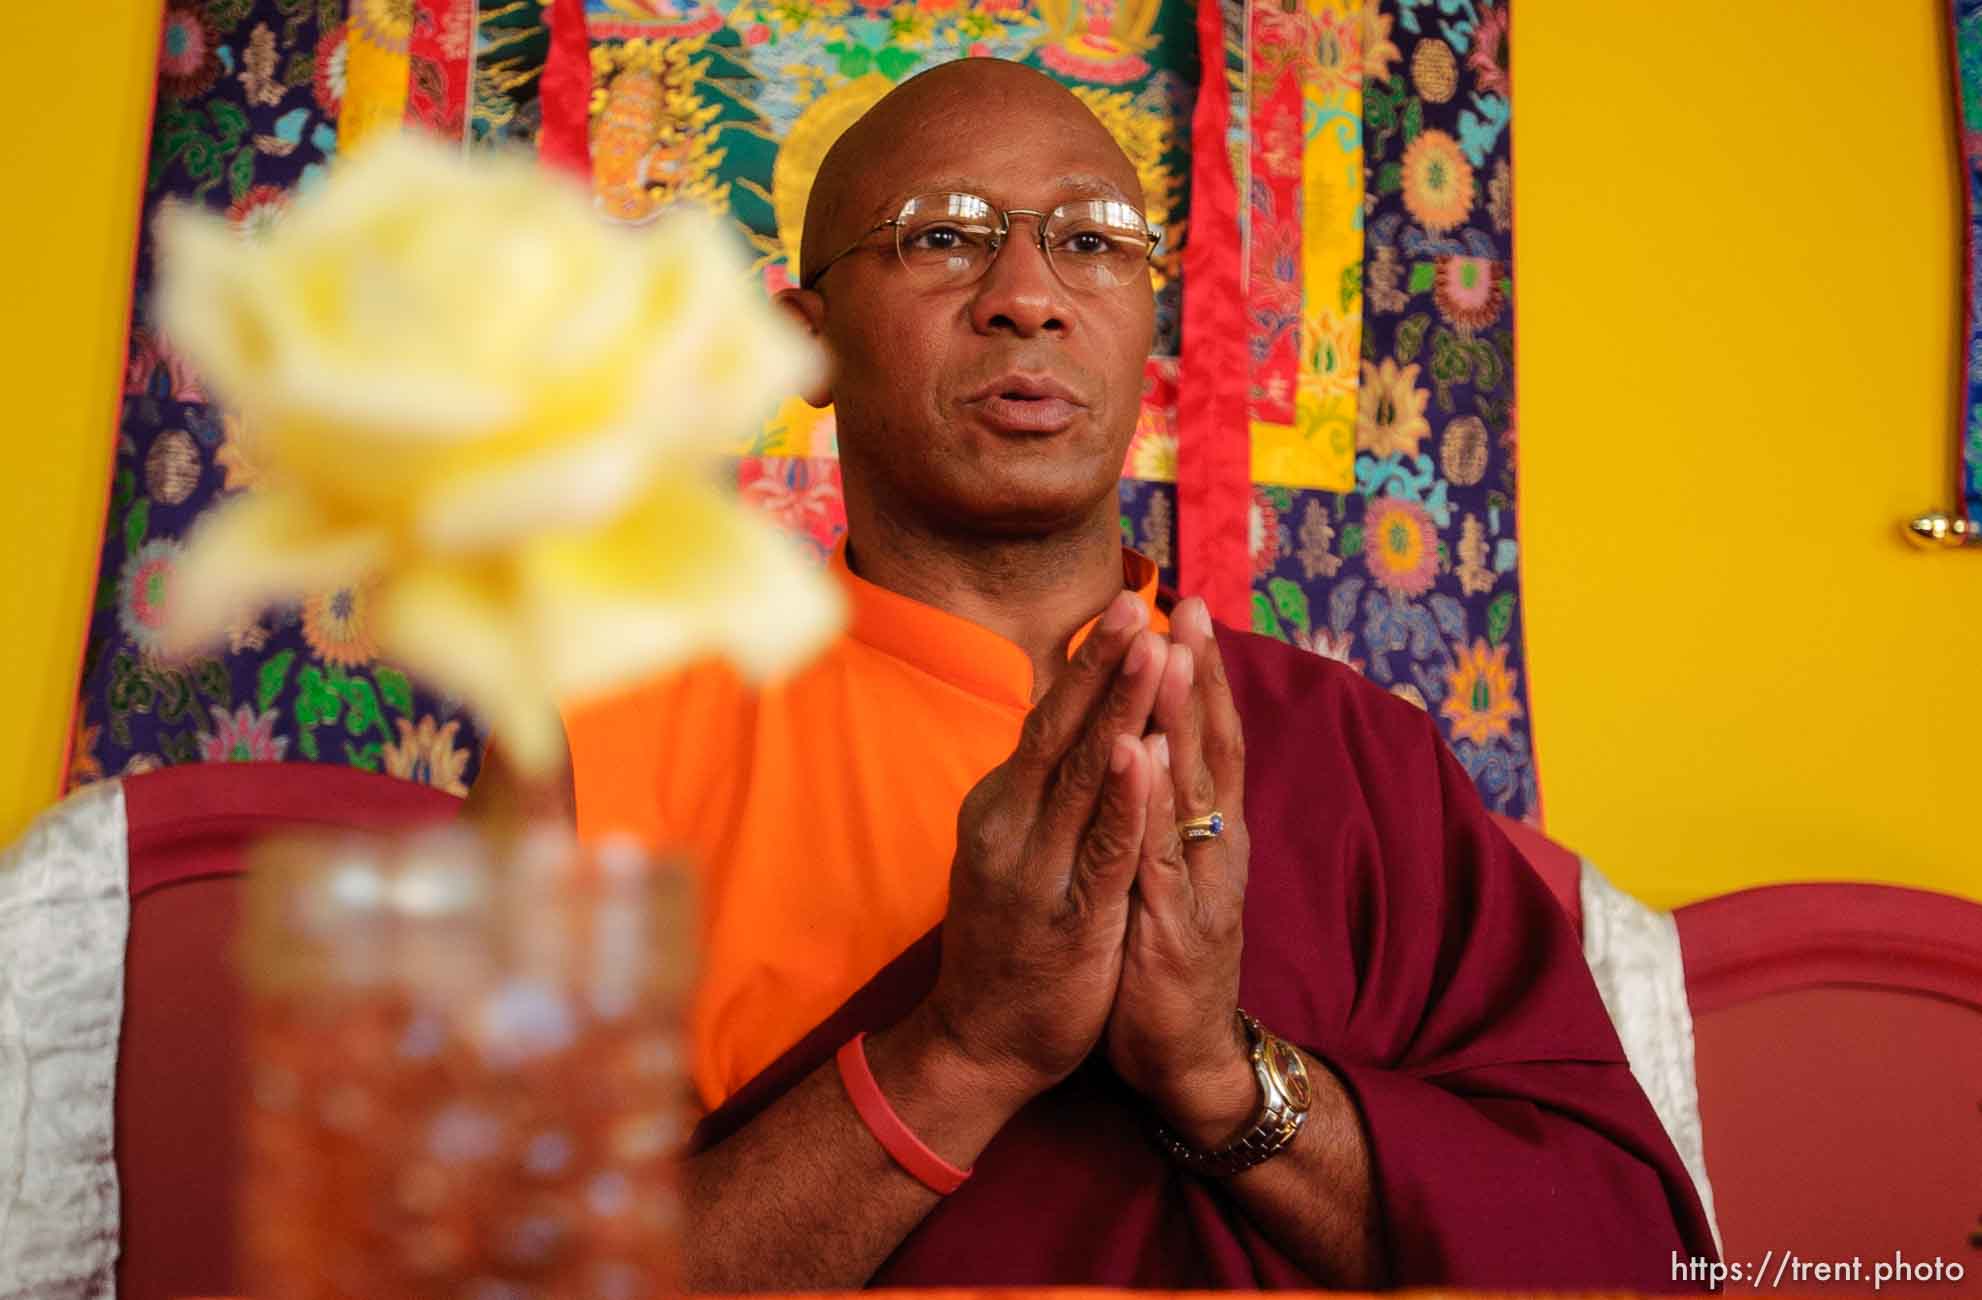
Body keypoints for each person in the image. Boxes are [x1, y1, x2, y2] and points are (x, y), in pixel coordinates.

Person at [505, 57, 1717, 1291]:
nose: (1027, 295)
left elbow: (1618, 1251)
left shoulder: (1350, 752)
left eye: (1091, 240)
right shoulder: (604, 751)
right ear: (804, 349)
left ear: (1145, 324)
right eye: (940, 236)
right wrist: (962, 1053)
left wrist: (1215, 1074)